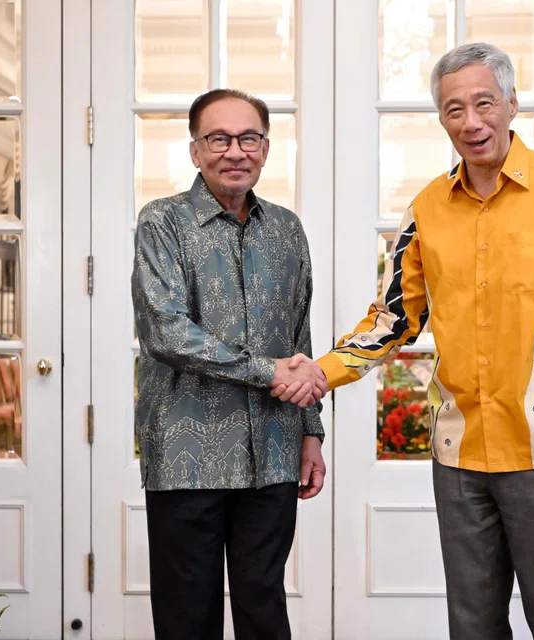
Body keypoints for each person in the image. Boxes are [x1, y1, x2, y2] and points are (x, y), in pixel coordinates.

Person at [274, 43, 534, 638]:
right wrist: (320, 370)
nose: (471, 122)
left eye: (484, 103)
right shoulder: (426, 209)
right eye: (453, 110)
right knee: (472, 625)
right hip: (459, 453)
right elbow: (393, 319)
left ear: (513, 104)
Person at [131, 88, 328, 640]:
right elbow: (165, 332)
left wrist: (311, 432)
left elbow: (299, 337)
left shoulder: (288, 229)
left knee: (264, 606)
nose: (235, 151)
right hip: (186, 454)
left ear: (266, 148)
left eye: (249, 138)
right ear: (195, 150)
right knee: (186, 615)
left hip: (272, 448)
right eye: (219, 139)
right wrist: (269, 372)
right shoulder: (162, 224)